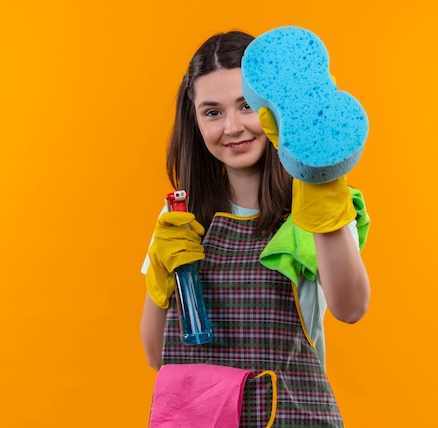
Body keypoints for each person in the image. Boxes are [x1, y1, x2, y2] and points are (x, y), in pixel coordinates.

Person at [140, 30, 370, 427]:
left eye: (246, 106)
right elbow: (158, 357)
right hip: (203, 418)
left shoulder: (319, 203)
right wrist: (161, 279)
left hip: (294, 417)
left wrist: (321, 192)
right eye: (212, 112)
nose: (232, 127)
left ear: (275, 108)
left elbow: (351, 308)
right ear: (194, 122)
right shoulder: (180, 216)